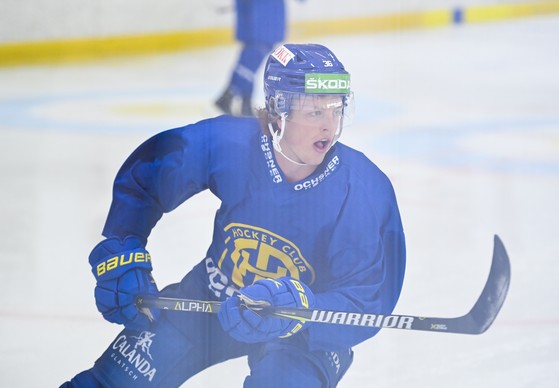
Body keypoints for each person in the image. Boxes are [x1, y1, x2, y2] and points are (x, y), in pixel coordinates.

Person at [61, 43, 406, 387]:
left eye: (336, 110)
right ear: (277, 111)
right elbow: (149, 177)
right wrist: (123, 247)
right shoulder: (230, 143)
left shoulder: (361, 190)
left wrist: (304, 308)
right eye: (315, 112)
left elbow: (366, 296)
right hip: (213, 294)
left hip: (303, 329)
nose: (329, 126)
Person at [215, 0, 287, 116]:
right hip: (263, 14)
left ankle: (240, 99)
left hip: (254, 13)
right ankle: (232, 96)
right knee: (253, 55)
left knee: (249, 57)